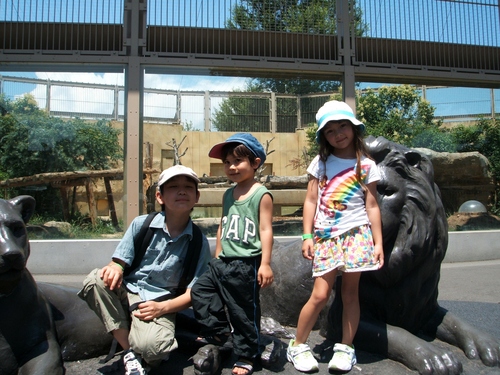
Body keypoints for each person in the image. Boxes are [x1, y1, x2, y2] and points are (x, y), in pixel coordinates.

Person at [78, 165, 212, 375]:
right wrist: (114, 267)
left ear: (196, 196)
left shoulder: (198, 242)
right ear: (160, 196)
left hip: (159, 302)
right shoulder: (142, 224)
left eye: (188, 187)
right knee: (96, 279)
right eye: (174, 186)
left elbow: (193, 293)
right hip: (129, 291)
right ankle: (129, 351)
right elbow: (119, 262)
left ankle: (145, 342)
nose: (182, 191)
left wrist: (163, 308)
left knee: (154, 348)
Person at [286, 100, 384, 373]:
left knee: (351, 294)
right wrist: (307, 235)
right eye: (330, 130)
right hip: (327, 236)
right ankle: (297, 345)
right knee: (320, 294)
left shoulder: (367, 165)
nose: (338, 133)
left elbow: (372, 205)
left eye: (343, 126)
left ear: (354, 128)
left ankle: (345, 347)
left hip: (357, 235)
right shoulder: (322, 162)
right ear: (323, 137)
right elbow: (310, 200)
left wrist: (378, 242)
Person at [191, 133, 274, 375]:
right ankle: (219, 332)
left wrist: (266, 264)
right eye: (227, 162)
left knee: (243, 311)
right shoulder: (228, 194)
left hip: (246, 263)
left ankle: (247, 355)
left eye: (238, 161)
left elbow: (266, 230)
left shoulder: (262, 194)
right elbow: (223, 223)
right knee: (201, 290)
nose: (231, 167)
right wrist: (217, 252)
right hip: (223, 260)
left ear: (255, 163)